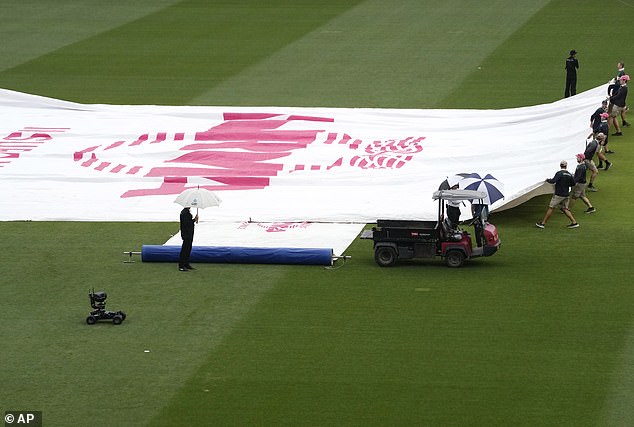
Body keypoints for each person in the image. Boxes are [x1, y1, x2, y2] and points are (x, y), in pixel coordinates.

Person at [536, 160, 579, 228]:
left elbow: (553, 181)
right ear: (566, 166)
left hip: (559, 194)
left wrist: (547, 180)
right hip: (566, 194)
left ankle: (543, 223)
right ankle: (574, 222)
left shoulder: (559, 173)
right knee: (565, 209)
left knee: (551, 207)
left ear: (560, 165)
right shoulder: (569, 174)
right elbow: (573, 183)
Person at [178, 206, 199, 271]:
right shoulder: (184, 213)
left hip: (189, 233)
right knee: (185, 249)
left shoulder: (186, 212)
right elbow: (186, 223)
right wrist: (194, 220)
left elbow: (188, 222)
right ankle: (181, 265)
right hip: (186, 233)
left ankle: (186, 263)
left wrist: (194, 220)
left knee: (188, 248)